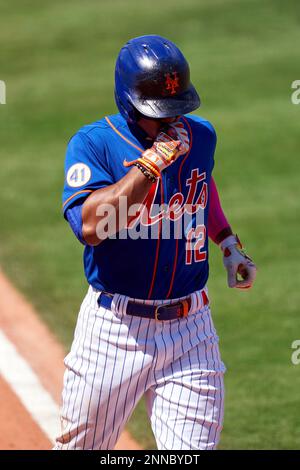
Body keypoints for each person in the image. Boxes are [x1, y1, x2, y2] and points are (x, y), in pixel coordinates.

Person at [55, 35, 257, 450]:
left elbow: (202, 184)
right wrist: (149, 167)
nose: (169, 123)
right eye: (156, 115)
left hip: (192, 329)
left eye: (176, 110)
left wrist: (227, 241)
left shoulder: (199, 136)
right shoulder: (94, 144)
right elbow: (91, 225)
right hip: (115, 330)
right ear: (127, 102)